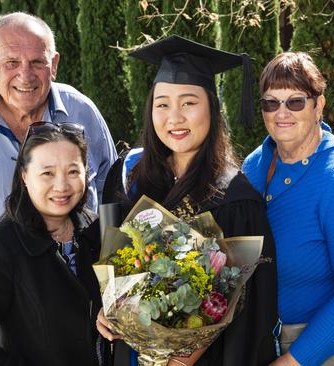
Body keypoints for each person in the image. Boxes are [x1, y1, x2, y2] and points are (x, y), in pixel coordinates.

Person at [95, 35, 277, 366]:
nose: (174, 117)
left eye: (189, 103)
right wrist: (107, 311)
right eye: (162, 104)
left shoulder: (236, 198)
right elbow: (114, 272)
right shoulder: (131, 181)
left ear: (212, 108)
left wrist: (184, 357)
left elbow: (254, 309)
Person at [0, 12, 117, 303]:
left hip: (74, 283)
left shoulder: (82, 111)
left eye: (37, 62)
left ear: (54, 65)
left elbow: (109, 192)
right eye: (11, 62)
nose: (25, 75)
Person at [242, 52, 334, 366]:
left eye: (295, 102)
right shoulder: (255, 165)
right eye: (270, 102)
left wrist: (294, 360)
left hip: (328, 349)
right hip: (263, 340)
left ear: (318, 105)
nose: (282, 113)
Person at [0, 122, 109, 365]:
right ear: (25, 175)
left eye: (73, 171)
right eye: (47, 173)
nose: (62, 186)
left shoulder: (96, 230)